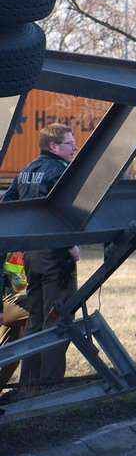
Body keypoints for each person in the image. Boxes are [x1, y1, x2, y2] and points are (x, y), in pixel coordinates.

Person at [1, 123, 80, 387]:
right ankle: (49, 384)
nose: (75, 147)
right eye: (70, 143)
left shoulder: (25, 172)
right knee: (57, 318)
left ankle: (29, 383)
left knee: (35, 320)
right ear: (53, 146)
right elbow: (61, 211)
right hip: (55, 256)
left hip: (31, 255)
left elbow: (8, 208)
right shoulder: (60, 172)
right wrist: (70, 245)